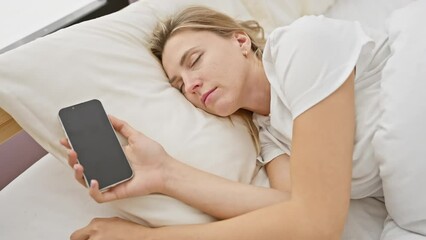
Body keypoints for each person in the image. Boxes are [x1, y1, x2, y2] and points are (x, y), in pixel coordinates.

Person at [60, 5, 391, 240]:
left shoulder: (300, 46)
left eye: (195, 60)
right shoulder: (271, 136)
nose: (190, 84)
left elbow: (318, 224)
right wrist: (165, 174)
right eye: (179, 85)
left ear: (240, 41)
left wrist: (146, 238)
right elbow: (292, 210)